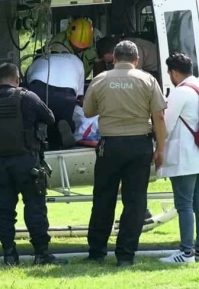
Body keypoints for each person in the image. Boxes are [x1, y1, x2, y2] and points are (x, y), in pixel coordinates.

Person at [82, 40, 167, 267]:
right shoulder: (148, 80)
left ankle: (97, 252)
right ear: (136, 60)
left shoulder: (100, 80)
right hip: (139, 145)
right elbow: (158, 117)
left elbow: (88, 110)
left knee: (103, 198)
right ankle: (126, 255)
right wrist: (160, 148)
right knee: (135, 201)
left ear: (114, 58)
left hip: (109, 145)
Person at [0, 62, 68, 266]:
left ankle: (10, 255)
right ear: (17, 80)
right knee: (35, 207)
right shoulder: (27, 96)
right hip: (26, 162)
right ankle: (41, 254)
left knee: (4, 210)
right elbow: (50, 118)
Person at [156, 53, 199, 264]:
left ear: (173, 72)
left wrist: (158, 147)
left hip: (185, 157)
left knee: (184, 204)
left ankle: (186, 252)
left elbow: (166, 125)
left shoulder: (180, 92)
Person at [25, 43, 84, 149]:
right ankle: (66, 127)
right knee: (65, 117)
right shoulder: (76, 61)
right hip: (66, 93)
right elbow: (79, 97)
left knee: (41, 117)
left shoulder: (38, 61)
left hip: (39, 90)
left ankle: (40, 135)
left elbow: (28, 86)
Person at [94, 35, 159, 78]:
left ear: (108, 53)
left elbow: (133, 75)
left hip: (157, 71)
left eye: (103, 58)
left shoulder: (131, 49)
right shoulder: (123, 47)